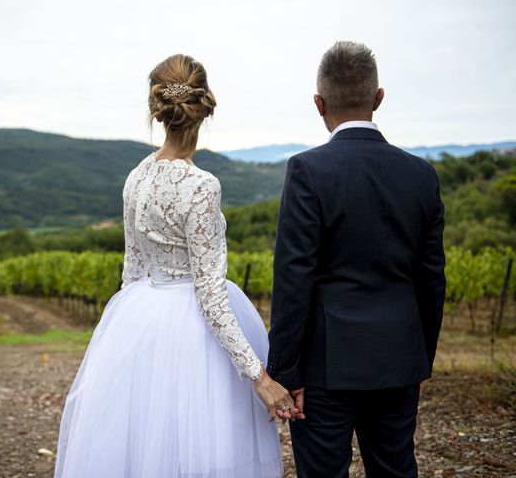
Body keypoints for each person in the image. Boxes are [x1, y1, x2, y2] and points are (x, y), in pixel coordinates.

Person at [54, 53, 294, 478]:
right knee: (202, 446)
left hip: (141, 315)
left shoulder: (136, 177)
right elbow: (210, 295)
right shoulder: (202, 186)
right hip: (194, 331)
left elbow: (132, 272)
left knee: (147, 443)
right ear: (203, 111)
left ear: (158, 110)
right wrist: (260, 377)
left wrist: (124, 341)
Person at [266, 41, 446, 477]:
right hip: (400, 357)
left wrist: (286, 372)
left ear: (318, 103)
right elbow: (432, 278)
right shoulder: (421, 174)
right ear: (378, 97)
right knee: (396, 469)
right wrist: (420, 357)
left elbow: (294, 277)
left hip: (325, 366)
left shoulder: (308, 170)